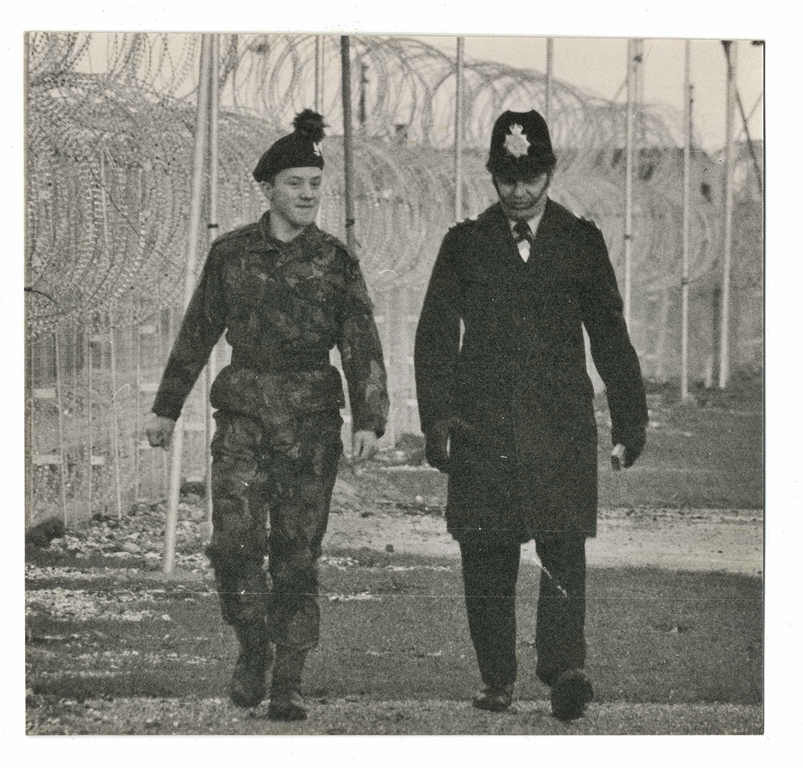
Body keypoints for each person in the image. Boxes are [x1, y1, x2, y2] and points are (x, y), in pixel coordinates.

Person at [145, 110, 389, 721]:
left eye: (315, 184)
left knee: (297, 554)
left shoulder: (335, 260)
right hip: (244, 418)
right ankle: (253, 644)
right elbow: (198, 332)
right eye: (295, 184)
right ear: (267, 189)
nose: (307, 195)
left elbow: (360, 341)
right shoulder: (230, 254)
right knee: (232, 545)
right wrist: (166, 408)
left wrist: (370, 418)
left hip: (310, 424)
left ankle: (289, 678)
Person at [414, 110, 647, 721]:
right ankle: (497, 678)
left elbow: (609, 334)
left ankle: (565, 670)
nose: (519, 191)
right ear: (492, 175)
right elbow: (435, 334)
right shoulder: (464, 244)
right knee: (485, 552)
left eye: (531, 177)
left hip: (559, 425)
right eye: (507, 178)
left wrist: (630, 421)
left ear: (550, 173)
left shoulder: (580, 241)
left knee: (563, 546)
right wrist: (437, 418)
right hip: (481, 425)